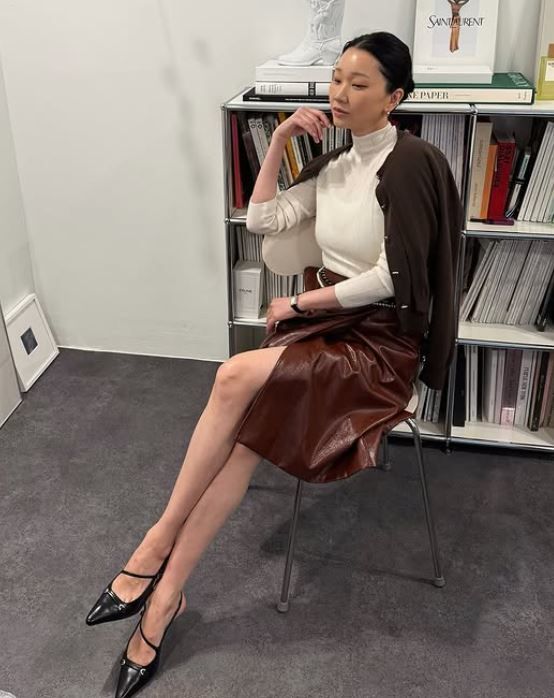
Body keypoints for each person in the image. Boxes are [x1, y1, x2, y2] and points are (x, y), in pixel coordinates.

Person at [85, 31, 463, 698]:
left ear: (394, 97)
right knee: (242, 444)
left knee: (233, 375)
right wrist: (284, 137)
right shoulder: (336, 164)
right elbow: (263, 220)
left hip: (379, 348)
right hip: (329, 329)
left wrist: (298, 303)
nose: (340, 93)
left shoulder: (410, 164)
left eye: (359, 84)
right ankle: (165, 598)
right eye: (336, 79)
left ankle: (154, 546)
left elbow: (395, 278)